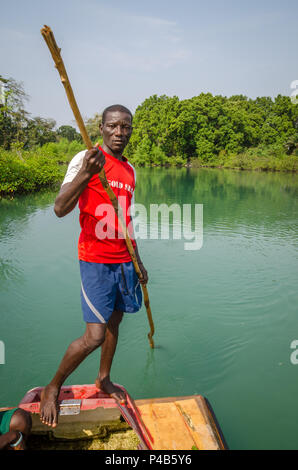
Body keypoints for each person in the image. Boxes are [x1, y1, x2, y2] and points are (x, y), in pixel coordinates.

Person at [40, 105, 148, 428]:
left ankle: (104, 379)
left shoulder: (129, 171)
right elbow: (60, 208)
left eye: (125, 127)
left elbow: (126, 220)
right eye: (113, 126)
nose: (119, 132)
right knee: (95, 335)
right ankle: (52, 386)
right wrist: (87, 172)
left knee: (115, 322)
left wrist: (139, 262)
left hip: (124, 260)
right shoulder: (84, 159)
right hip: (95, 260)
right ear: (100, 128)